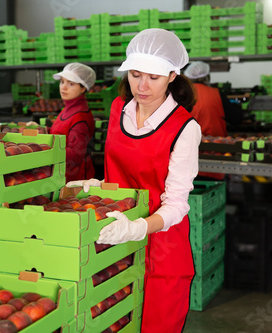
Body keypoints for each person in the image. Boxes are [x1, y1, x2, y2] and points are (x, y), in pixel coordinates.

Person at [67, 28, 201, 333]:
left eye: (153, 77)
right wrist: (99, 186)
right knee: (113, 321)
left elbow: (178, 204)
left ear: (172, 76)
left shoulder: (184, 127)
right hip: (116, 236)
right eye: (135, 75)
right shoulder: (118, 110)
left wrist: (139, 227)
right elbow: (121, 171)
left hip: (161, 247)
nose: (142, 86)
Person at [30, 62, 96, 182]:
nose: (63, 87)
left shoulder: (80, 116)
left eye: (71, 84)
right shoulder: (69, 108)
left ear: (83, 88)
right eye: (62, 82)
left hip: (74, 178)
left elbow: (76, 155)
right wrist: (43, 131)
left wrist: (45, 149)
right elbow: (62, 134)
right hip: (60, 172)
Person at [184, 61, 243, 180]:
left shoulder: (182, 95)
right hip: (215, 156)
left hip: (186, 158)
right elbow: (237, 119)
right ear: (207, 77)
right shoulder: (217, 94)